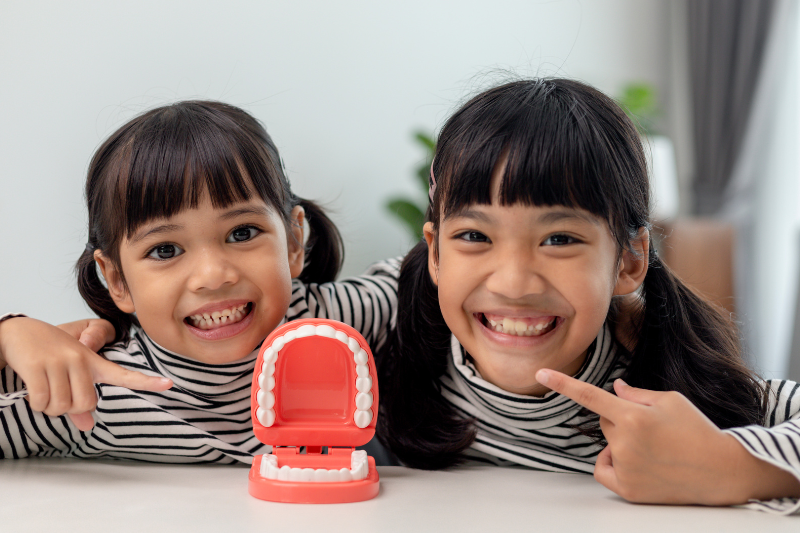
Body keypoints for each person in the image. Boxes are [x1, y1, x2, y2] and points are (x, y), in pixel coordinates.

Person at [375, 78, 800, 514]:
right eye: (473, 235)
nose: (513, 284)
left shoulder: (670, 393)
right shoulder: (390, 327)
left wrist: (726, 466)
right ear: (436, 253)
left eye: (559, 239)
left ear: (629, 261)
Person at [0, 101, 398, 463]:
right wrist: (8, 336)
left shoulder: (334, 325)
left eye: (242, 233)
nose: (212, 276)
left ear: (294, 241)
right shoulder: (97, 394)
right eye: (165, 250)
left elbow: (430, 278)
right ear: (116, 280)